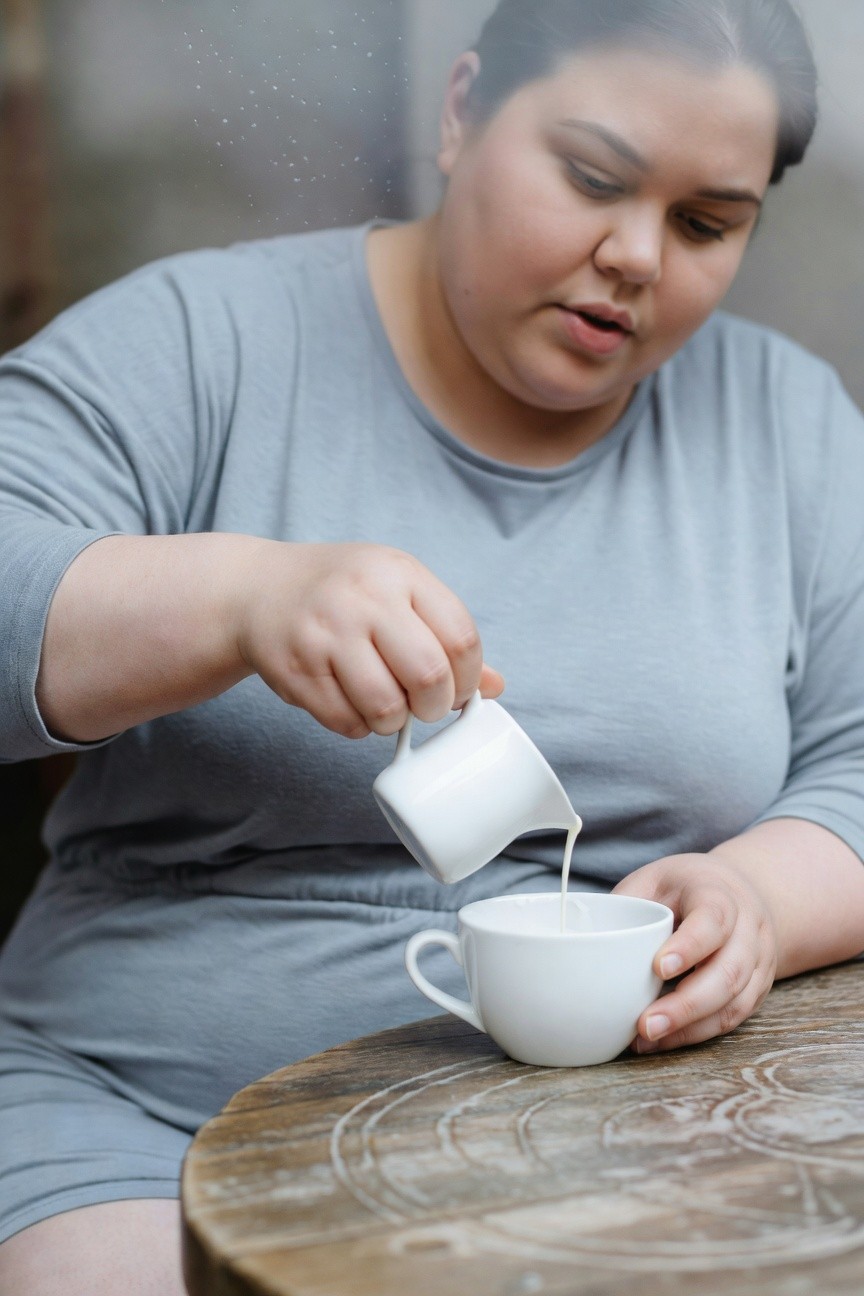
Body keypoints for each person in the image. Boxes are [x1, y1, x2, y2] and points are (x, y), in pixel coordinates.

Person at [1, 0, 863, 1289]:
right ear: (461, 112)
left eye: (705, 224)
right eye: (592, 176)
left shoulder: (784, 424)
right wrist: (236, 600)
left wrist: (758, 900)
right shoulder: (202, 342)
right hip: (147, 1115)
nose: (634, 254)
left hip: (640, 1134)